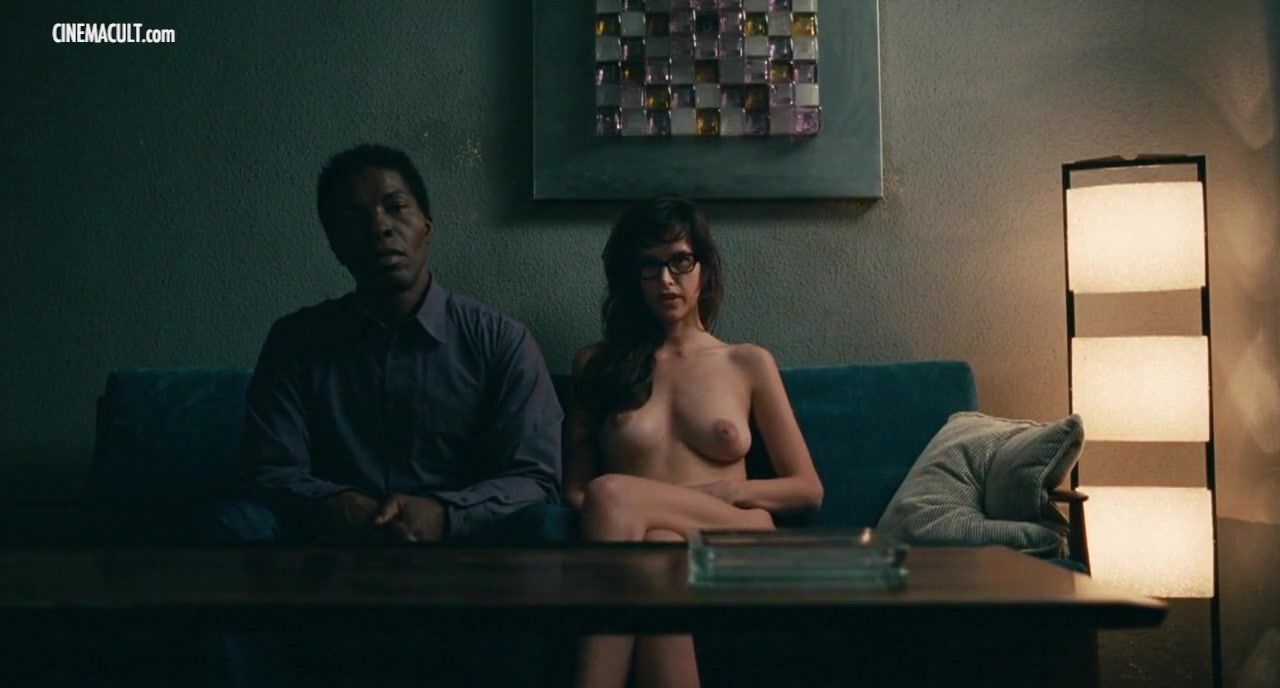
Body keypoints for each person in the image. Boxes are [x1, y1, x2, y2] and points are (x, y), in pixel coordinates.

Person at [202, 143, 564, 686]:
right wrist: (342, 507)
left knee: (550, 530)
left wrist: (443, 515)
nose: (379, 227)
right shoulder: (297, 342)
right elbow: (268, 471)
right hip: (328, 571)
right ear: (334, 243)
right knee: (227, 525)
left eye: (395, 207)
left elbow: (535, 478)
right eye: (354, 217)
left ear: (426, 226)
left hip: (464, 575)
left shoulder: (498, 340)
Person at [565, 197, 824, 688]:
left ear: (703, 267)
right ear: (631, 277)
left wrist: (726, 492)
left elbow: (807, 489)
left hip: (735, 534)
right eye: (649, 265)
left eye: (680, 261)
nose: (666, 280)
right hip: (639, 542)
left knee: (612, 493)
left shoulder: (747, 362)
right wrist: (643, 520)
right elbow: (575, 491)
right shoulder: (597, 365)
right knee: (656, 551)